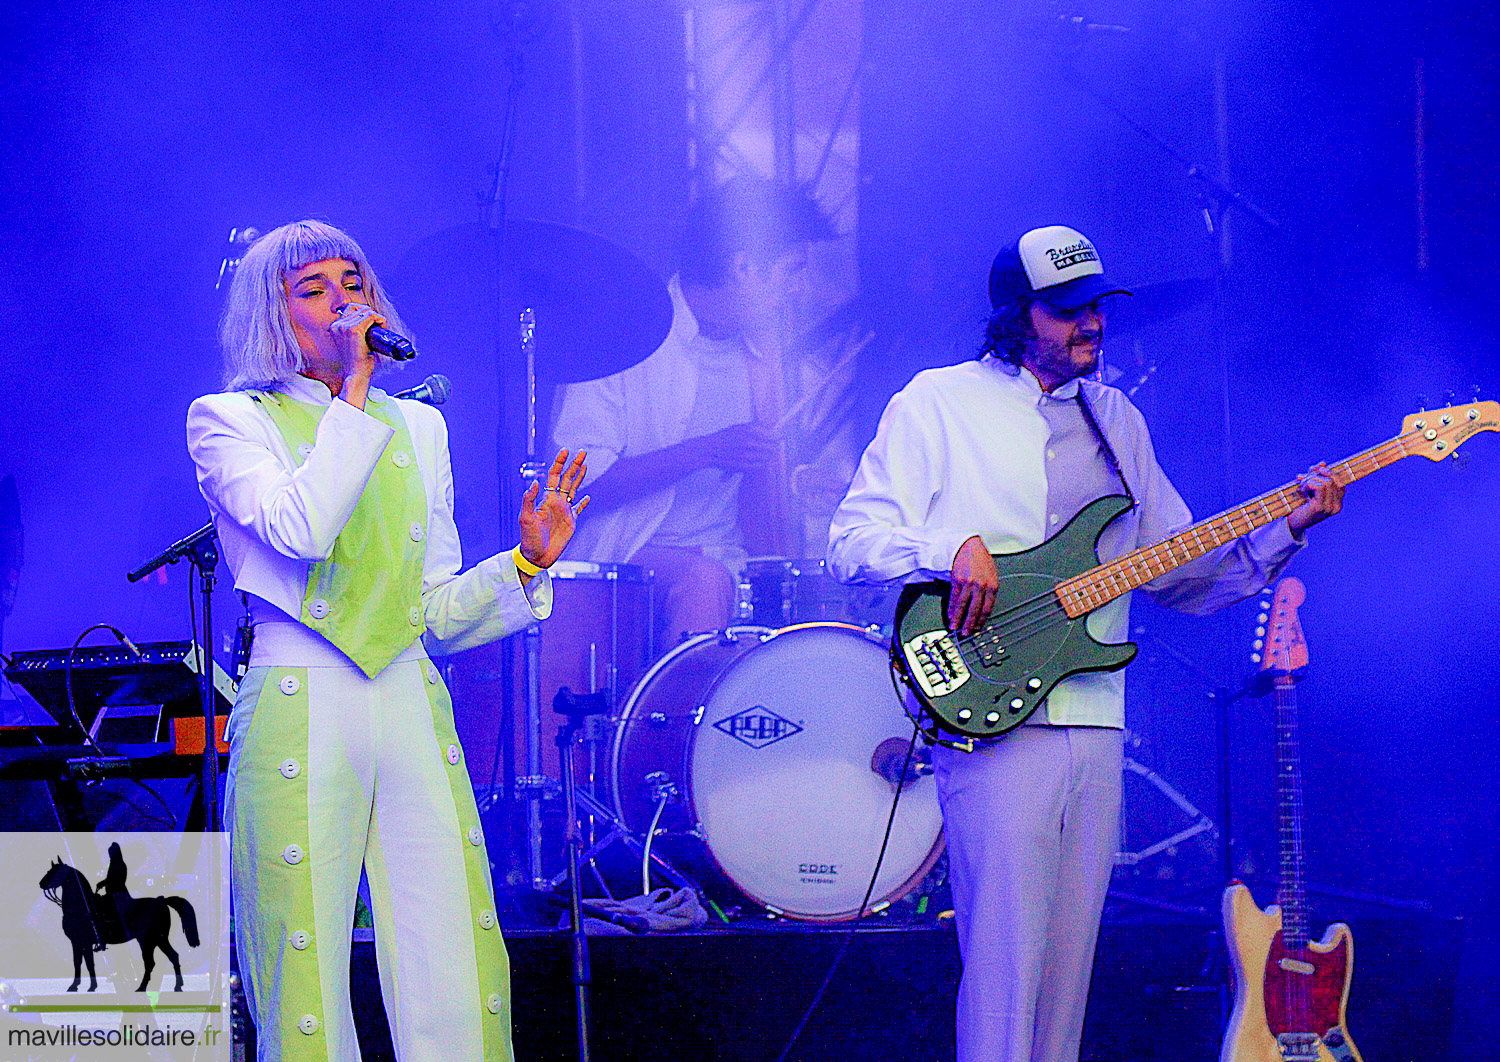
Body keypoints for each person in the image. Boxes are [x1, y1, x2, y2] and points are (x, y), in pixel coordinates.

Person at [827, 224, 1344, 1062]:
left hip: (1096, 719)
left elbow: (1184, 573)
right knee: (1002, 979)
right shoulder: (936, 402)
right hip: (994, 722)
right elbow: (850, 540)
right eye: (1066, 310)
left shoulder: (1118, 421)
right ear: (1014, 315)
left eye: (1095, 305)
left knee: (1068, 986)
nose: (1089, 324)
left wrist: (1286, 529)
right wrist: (948, 545)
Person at [187, 220, 588, 1062]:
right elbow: (302, 529)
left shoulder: (419, 429)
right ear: (273, 313)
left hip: (406, 693)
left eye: (354, 281)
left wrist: (524, 564)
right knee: (302, 960)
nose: (345, 301)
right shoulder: (229, 420)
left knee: (447, 944)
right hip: (300, 693)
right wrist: (356, 395)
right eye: (316, 289)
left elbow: (433, 607)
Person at [551, 176, 851, 647]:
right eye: (793, 270)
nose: (800, 289)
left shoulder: (775, 362)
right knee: (706, 581)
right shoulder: (623, 338)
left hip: (744, 566)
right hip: (630, 558)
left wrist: (808, 483)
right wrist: (706, 452)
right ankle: (684, 718)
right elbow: (579, 483)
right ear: (745, 265)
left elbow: (782, 488)